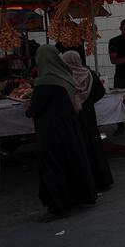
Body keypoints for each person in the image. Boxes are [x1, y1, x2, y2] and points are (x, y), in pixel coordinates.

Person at [26, 45, 97, 218]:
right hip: (69, 130)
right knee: (71, 162)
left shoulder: (44, 83)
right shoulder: (66, 78)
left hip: (51, 133)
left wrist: (29, 107)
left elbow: (34, 110)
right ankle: (79, 197)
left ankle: (58, 206)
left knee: (53, 168)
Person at [62, 51, 113, 191]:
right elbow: (101, 92)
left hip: (74, 116)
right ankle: (103, 179)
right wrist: (88, 102)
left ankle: (86, 182)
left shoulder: (66, 76)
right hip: (89, 115)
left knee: (79, 147)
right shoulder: (89, 74)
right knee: (94, 146)